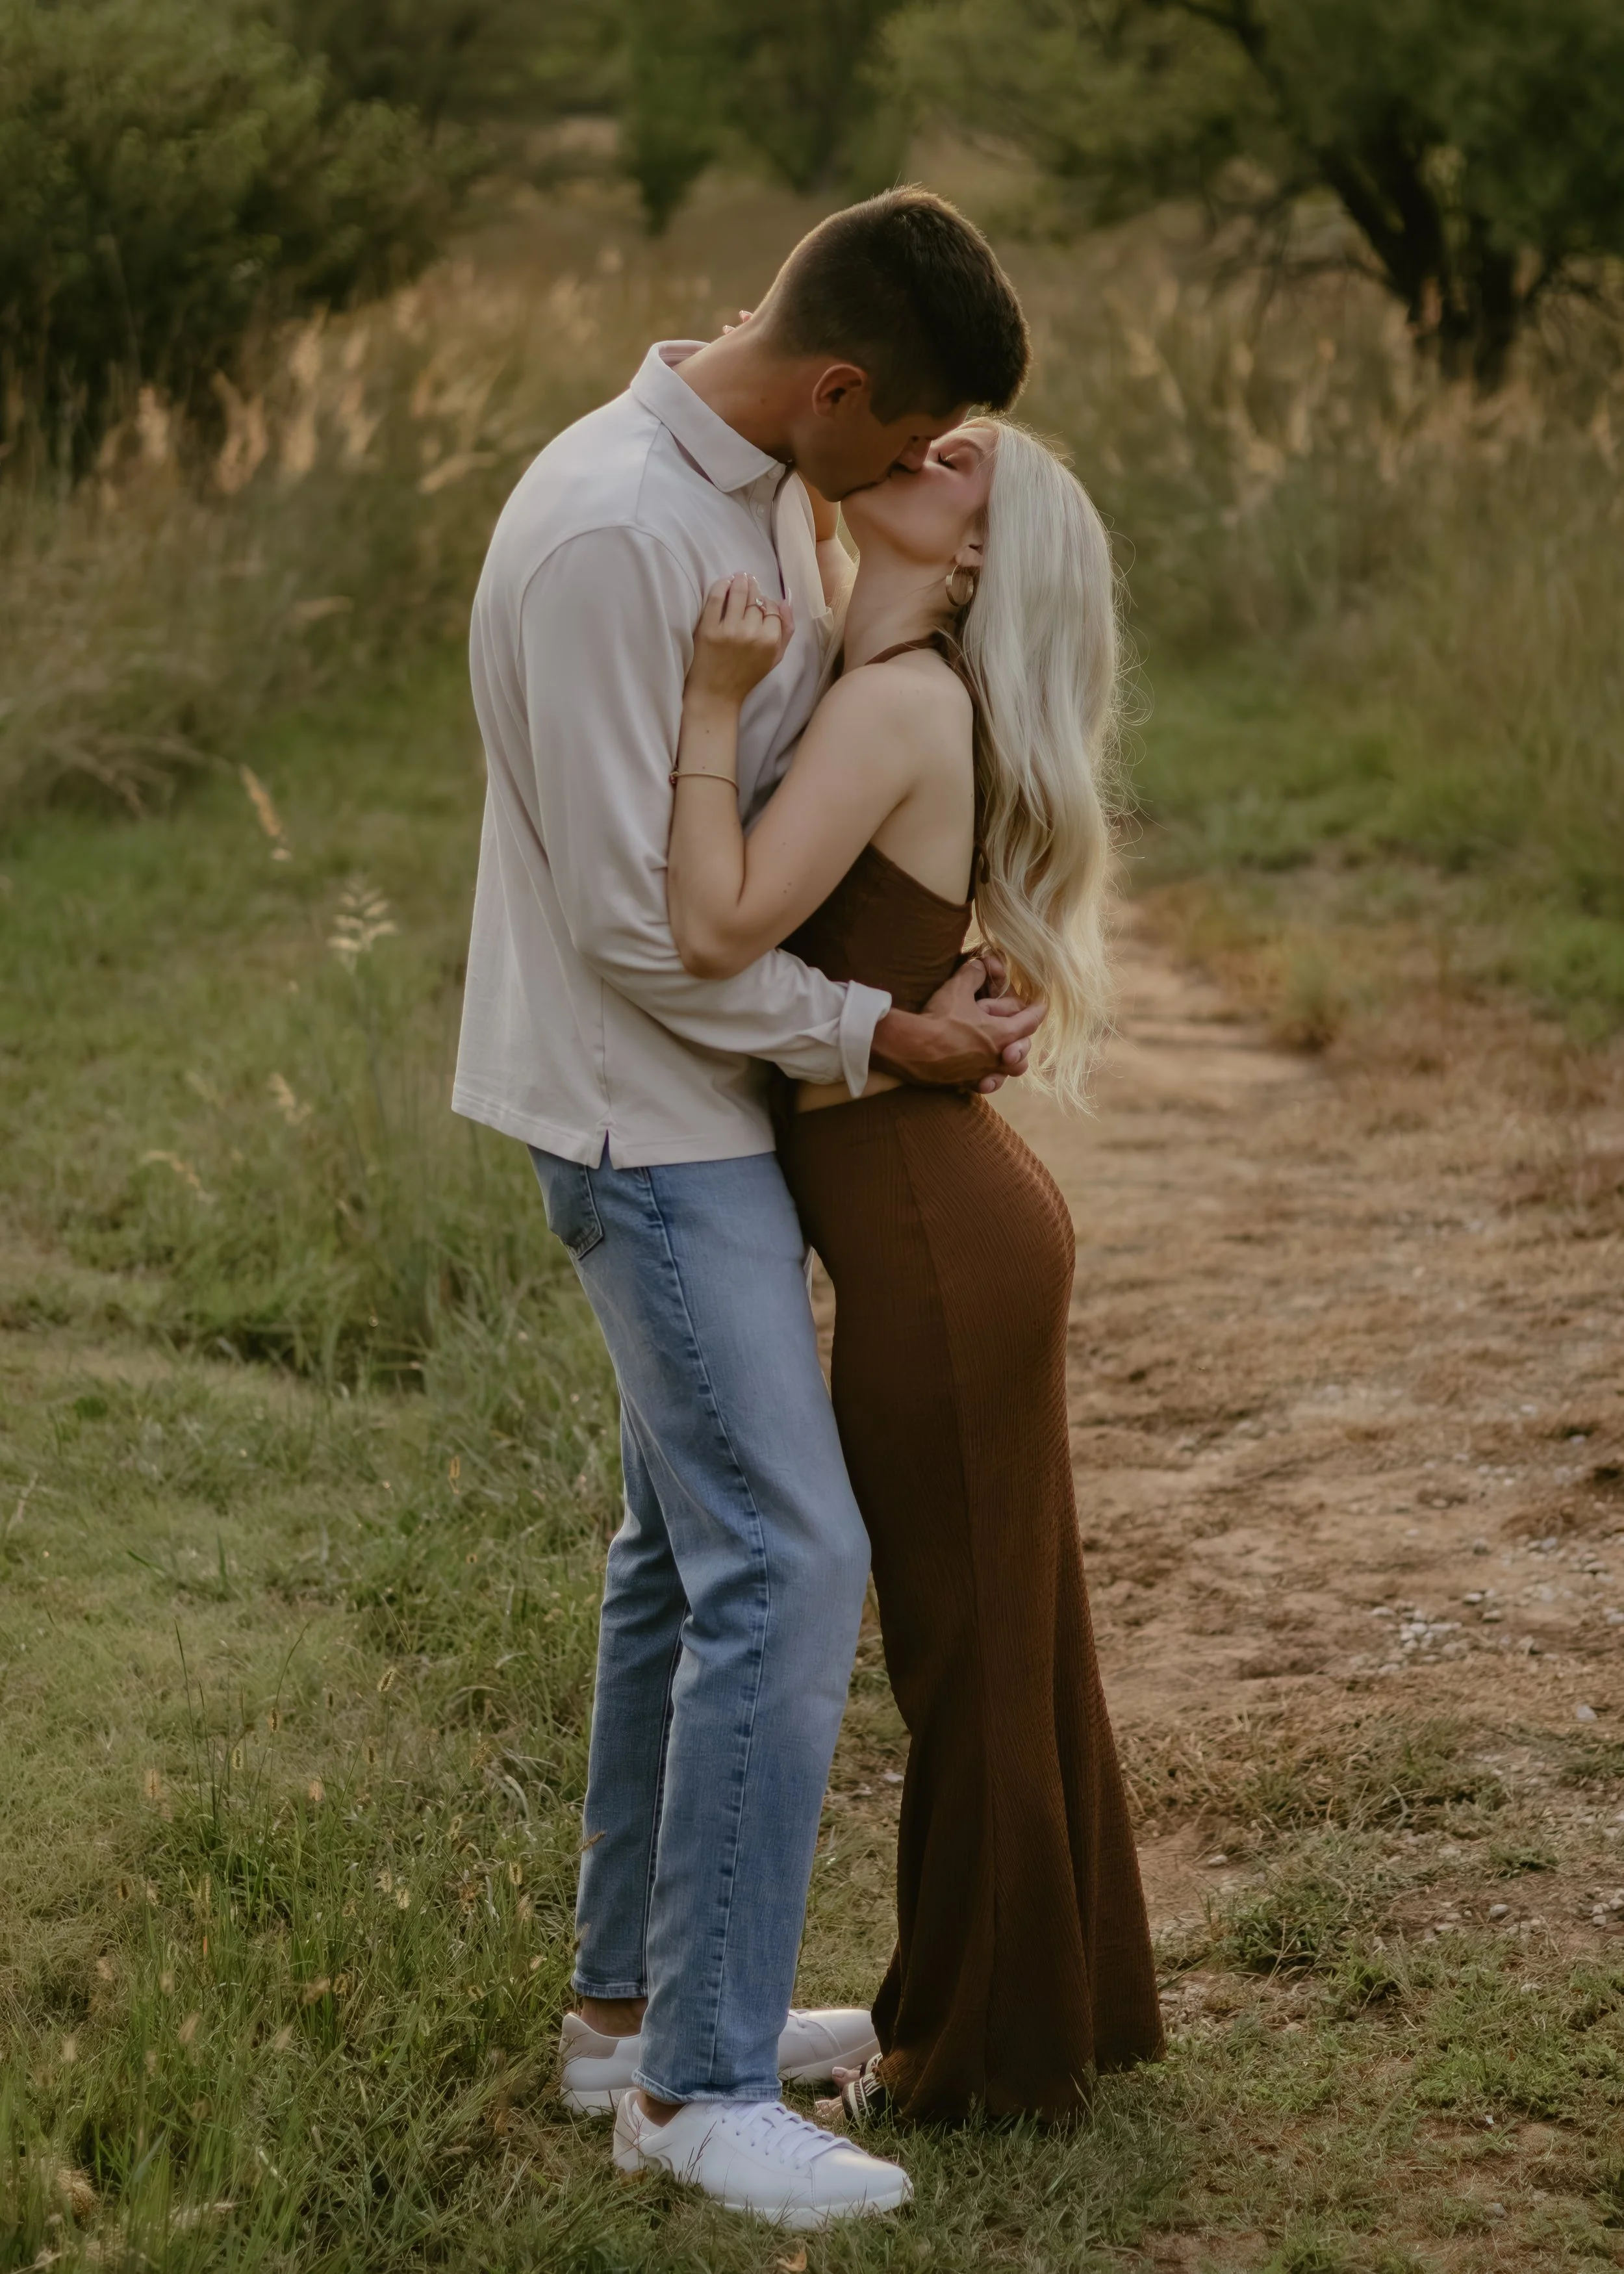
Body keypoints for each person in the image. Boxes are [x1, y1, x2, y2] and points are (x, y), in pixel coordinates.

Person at [452, 189, 1039, 2225]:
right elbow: (642, 924)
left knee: (668, 1567)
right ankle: (697, 2088)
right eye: (896, 445)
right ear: (838, 387)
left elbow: (748, 808)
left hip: (694, 1104)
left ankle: (632, 2014)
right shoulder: (627, 529)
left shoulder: (734, 484)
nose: (900, 481)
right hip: (648, 1123)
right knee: (787, 1560)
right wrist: (879, 1035)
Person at [665, 416, 1166, 2126]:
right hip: (950, 1213)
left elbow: (723, 926)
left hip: (938, 1236)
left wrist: (711, 707)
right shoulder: (872, 676)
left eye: (966, 464)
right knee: (1005, 1633)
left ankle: (982, 2060)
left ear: (972, 557)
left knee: (963, 1647)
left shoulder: (891, 704)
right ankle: (1057, 2006)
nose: (927, 447)